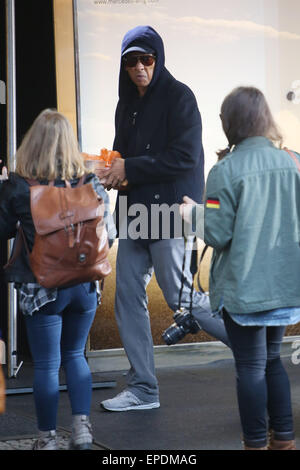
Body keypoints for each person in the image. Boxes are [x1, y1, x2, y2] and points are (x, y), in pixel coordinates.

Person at [97, 25, 230, 413]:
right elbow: (126, 158)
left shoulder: (179, 96)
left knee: (180, 299)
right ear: (123, 65)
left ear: (158, 59)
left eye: (146, 59)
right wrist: (112, 173)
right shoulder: (126, 105)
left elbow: (185, 158)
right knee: (126, 295)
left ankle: (254, 348)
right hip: (137, 212)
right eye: (131, 61)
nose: (139, 67)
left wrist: (129, 168)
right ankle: (143, 388)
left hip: (170, 212)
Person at [0, 109, 116, 450]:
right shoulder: (91, 183)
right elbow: (108, 231)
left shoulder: (20, 187)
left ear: (32, 144)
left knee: (49, 364)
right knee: (76, 356)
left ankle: (47, 439)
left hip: (43, 289)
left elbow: (4, 229)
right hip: (85, 284)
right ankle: (81, 431)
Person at [196, 86, 297, 450]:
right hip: (284, 287)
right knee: (273, 361)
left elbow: (216, 234)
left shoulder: (223, 171)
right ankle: (284, 441)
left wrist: (190, 213)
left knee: (251, 368)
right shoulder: (293, 162)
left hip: (244, 290)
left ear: (230, 123)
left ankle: (254, 443)